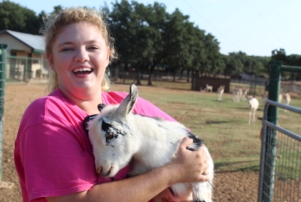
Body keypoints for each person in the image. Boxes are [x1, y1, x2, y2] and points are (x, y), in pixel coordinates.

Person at [14, 7, 209, 202]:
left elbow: (194, 151)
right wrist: (171, 174)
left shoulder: (127, 107)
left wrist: (179, 192)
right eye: (67, 48)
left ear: (108, 55)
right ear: (50, 59)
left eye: (92, 47)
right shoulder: (47, 115)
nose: (81, 56)